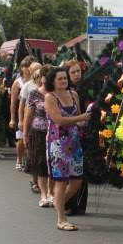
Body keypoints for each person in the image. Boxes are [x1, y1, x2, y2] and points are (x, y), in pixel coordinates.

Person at [42, 66, 90, 230]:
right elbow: (59, 120)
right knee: (61, 181)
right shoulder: (50, 97)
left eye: (64, 78)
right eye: (60, 78)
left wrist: (88, 119)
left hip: (74, 141)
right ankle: (61, 219)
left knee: (77, 180)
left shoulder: (73, 94)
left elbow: (80, 119)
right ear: (52, 81)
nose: (63, 81)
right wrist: (80, 117)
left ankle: (58, 203)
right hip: (58, 143)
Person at [63, 59, 88, 216]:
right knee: (69, 172)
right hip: (68, 134)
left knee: (82, 171)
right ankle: (67, 203)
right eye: (73, 72)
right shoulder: (65, 91)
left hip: (85, 132)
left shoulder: (87, 86)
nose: (77, 74)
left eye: (79, 71)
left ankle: (80, 205)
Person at [23, 66, 50, 203]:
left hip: (55, 134)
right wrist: (25, 135)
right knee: (41, 165)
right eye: (45, 75)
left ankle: (52, 193)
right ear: (41, 78)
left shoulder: (59, 93)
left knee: (53, 165)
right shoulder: (34, 93)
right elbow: (28, 116)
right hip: (38, 133)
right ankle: (44, 195)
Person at [10, 56, 34, 171]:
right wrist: (13, 119)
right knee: (20, 139)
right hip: (21, 113)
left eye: (29, 66)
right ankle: (19, 159)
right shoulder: (17, 82)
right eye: (25, 67)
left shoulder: (35, 81)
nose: (27, 69)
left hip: (33, 113)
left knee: (31, 139)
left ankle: (29, 160)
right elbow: (13, 103)